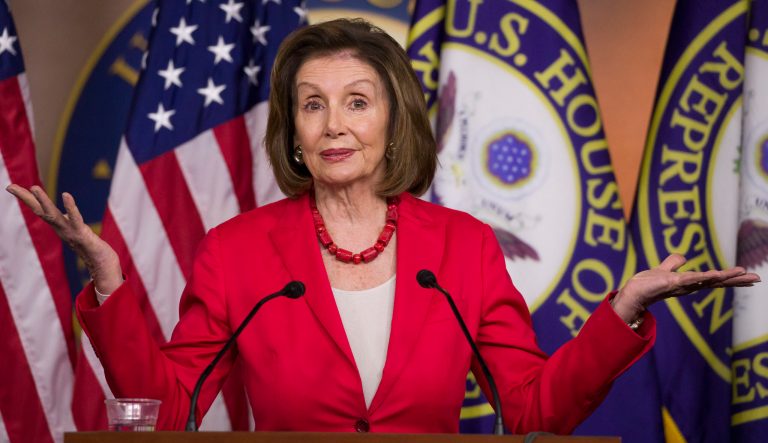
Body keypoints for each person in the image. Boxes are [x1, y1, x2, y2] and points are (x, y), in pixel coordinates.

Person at [7, 18, 758, 434]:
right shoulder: (238, 252)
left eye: (357, 101)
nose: (334, 124)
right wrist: (109, 282)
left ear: (393, 120)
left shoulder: (459, 248)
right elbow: (167, 410)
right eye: (311, 104)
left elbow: (532, 404)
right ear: (293, 130)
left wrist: (621, 310)